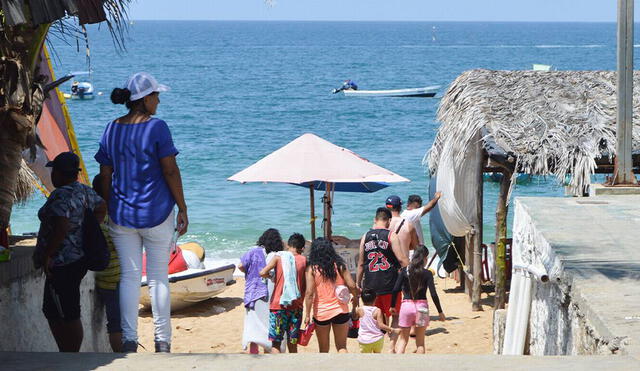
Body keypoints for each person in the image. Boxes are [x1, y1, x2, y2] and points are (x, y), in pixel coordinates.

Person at [95, 72, 188, 353]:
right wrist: (183, 207)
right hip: (157, 214)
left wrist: (111, 206)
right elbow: (170, 170)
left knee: (129, 278)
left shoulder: (111, 129)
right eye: (156, 95)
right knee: (159, 277)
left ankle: (128, 339)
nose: (158, 100)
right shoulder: (157, 128)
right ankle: (162, 342)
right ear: (145, 99)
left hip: (122, 216)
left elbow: (105, 174)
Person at [32, 152, 106, 352]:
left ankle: (70, 354)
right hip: (78, 258)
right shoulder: (84, 191)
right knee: (58, 307)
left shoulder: (61, 194)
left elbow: (61, 226)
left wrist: (48, 254)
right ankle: (68, 352)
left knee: (64, 308)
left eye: (53, 170)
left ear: (59, 172)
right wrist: (87, 229)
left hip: (62, 261)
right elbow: (101, 206)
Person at [356, 207, 409, 352]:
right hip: (390, 285)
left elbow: (360, 264)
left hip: (370, 285)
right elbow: (402, 260)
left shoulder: (365, 236)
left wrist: (358, 285)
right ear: (389, 221)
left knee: (373, 316)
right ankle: (391, 347)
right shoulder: (392, 235)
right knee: (395, 315)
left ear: (375, 219)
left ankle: (374, 344)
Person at [304, 238, 358, 353]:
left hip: (321, 313)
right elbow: (352, 285)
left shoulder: (312, 269)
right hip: (341, 310)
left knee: (323, 350)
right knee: (342, 347)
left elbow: (309, 293)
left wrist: (307, 314)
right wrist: (355, 299)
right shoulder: (339, 266)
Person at [390, 245, 446, 354]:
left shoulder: (404, 271)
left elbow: (395, 289)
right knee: (420, 344)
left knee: (403, 340)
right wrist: (440, 312)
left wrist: (392, 305)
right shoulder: (428, 273)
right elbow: (434, 294)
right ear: (425, 258)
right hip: (422, 308)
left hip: (406, 306)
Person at [259, 233, 307, 353]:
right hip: (296, 306)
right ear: (302, 248)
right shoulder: (304, 260)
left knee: (276, 344)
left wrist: (272, 277)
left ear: (288, 245)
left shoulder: (278, 257)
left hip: (278, 306)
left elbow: (262, 272)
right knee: (293, 343)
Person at [239, 228, 284, 354]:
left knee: (253, 326)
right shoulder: (277, 256)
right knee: (267, 325)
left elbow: (240, 266)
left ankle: (254, 354)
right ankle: (267, 352)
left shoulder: (254, 251)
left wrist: (249, 272)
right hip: (270, 293)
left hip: (253, 292)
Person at [92, 174, 122, 352]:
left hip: (103, 278)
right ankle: (122, 357)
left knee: (115, 321)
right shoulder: (112, 219)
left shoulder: (93, 216)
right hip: (116, 278)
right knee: (118, 323)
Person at [355, 288, 399, 353]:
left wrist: (354, 305)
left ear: (362, 299)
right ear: (375, 299)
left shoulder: (359, 310)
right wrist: (392, 330)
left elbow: (354, 317)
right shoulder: (377, 311)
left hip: (364, 340)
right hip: (377, 339)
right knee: (377, 357)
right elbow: (381, 325)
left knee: (365, 359)